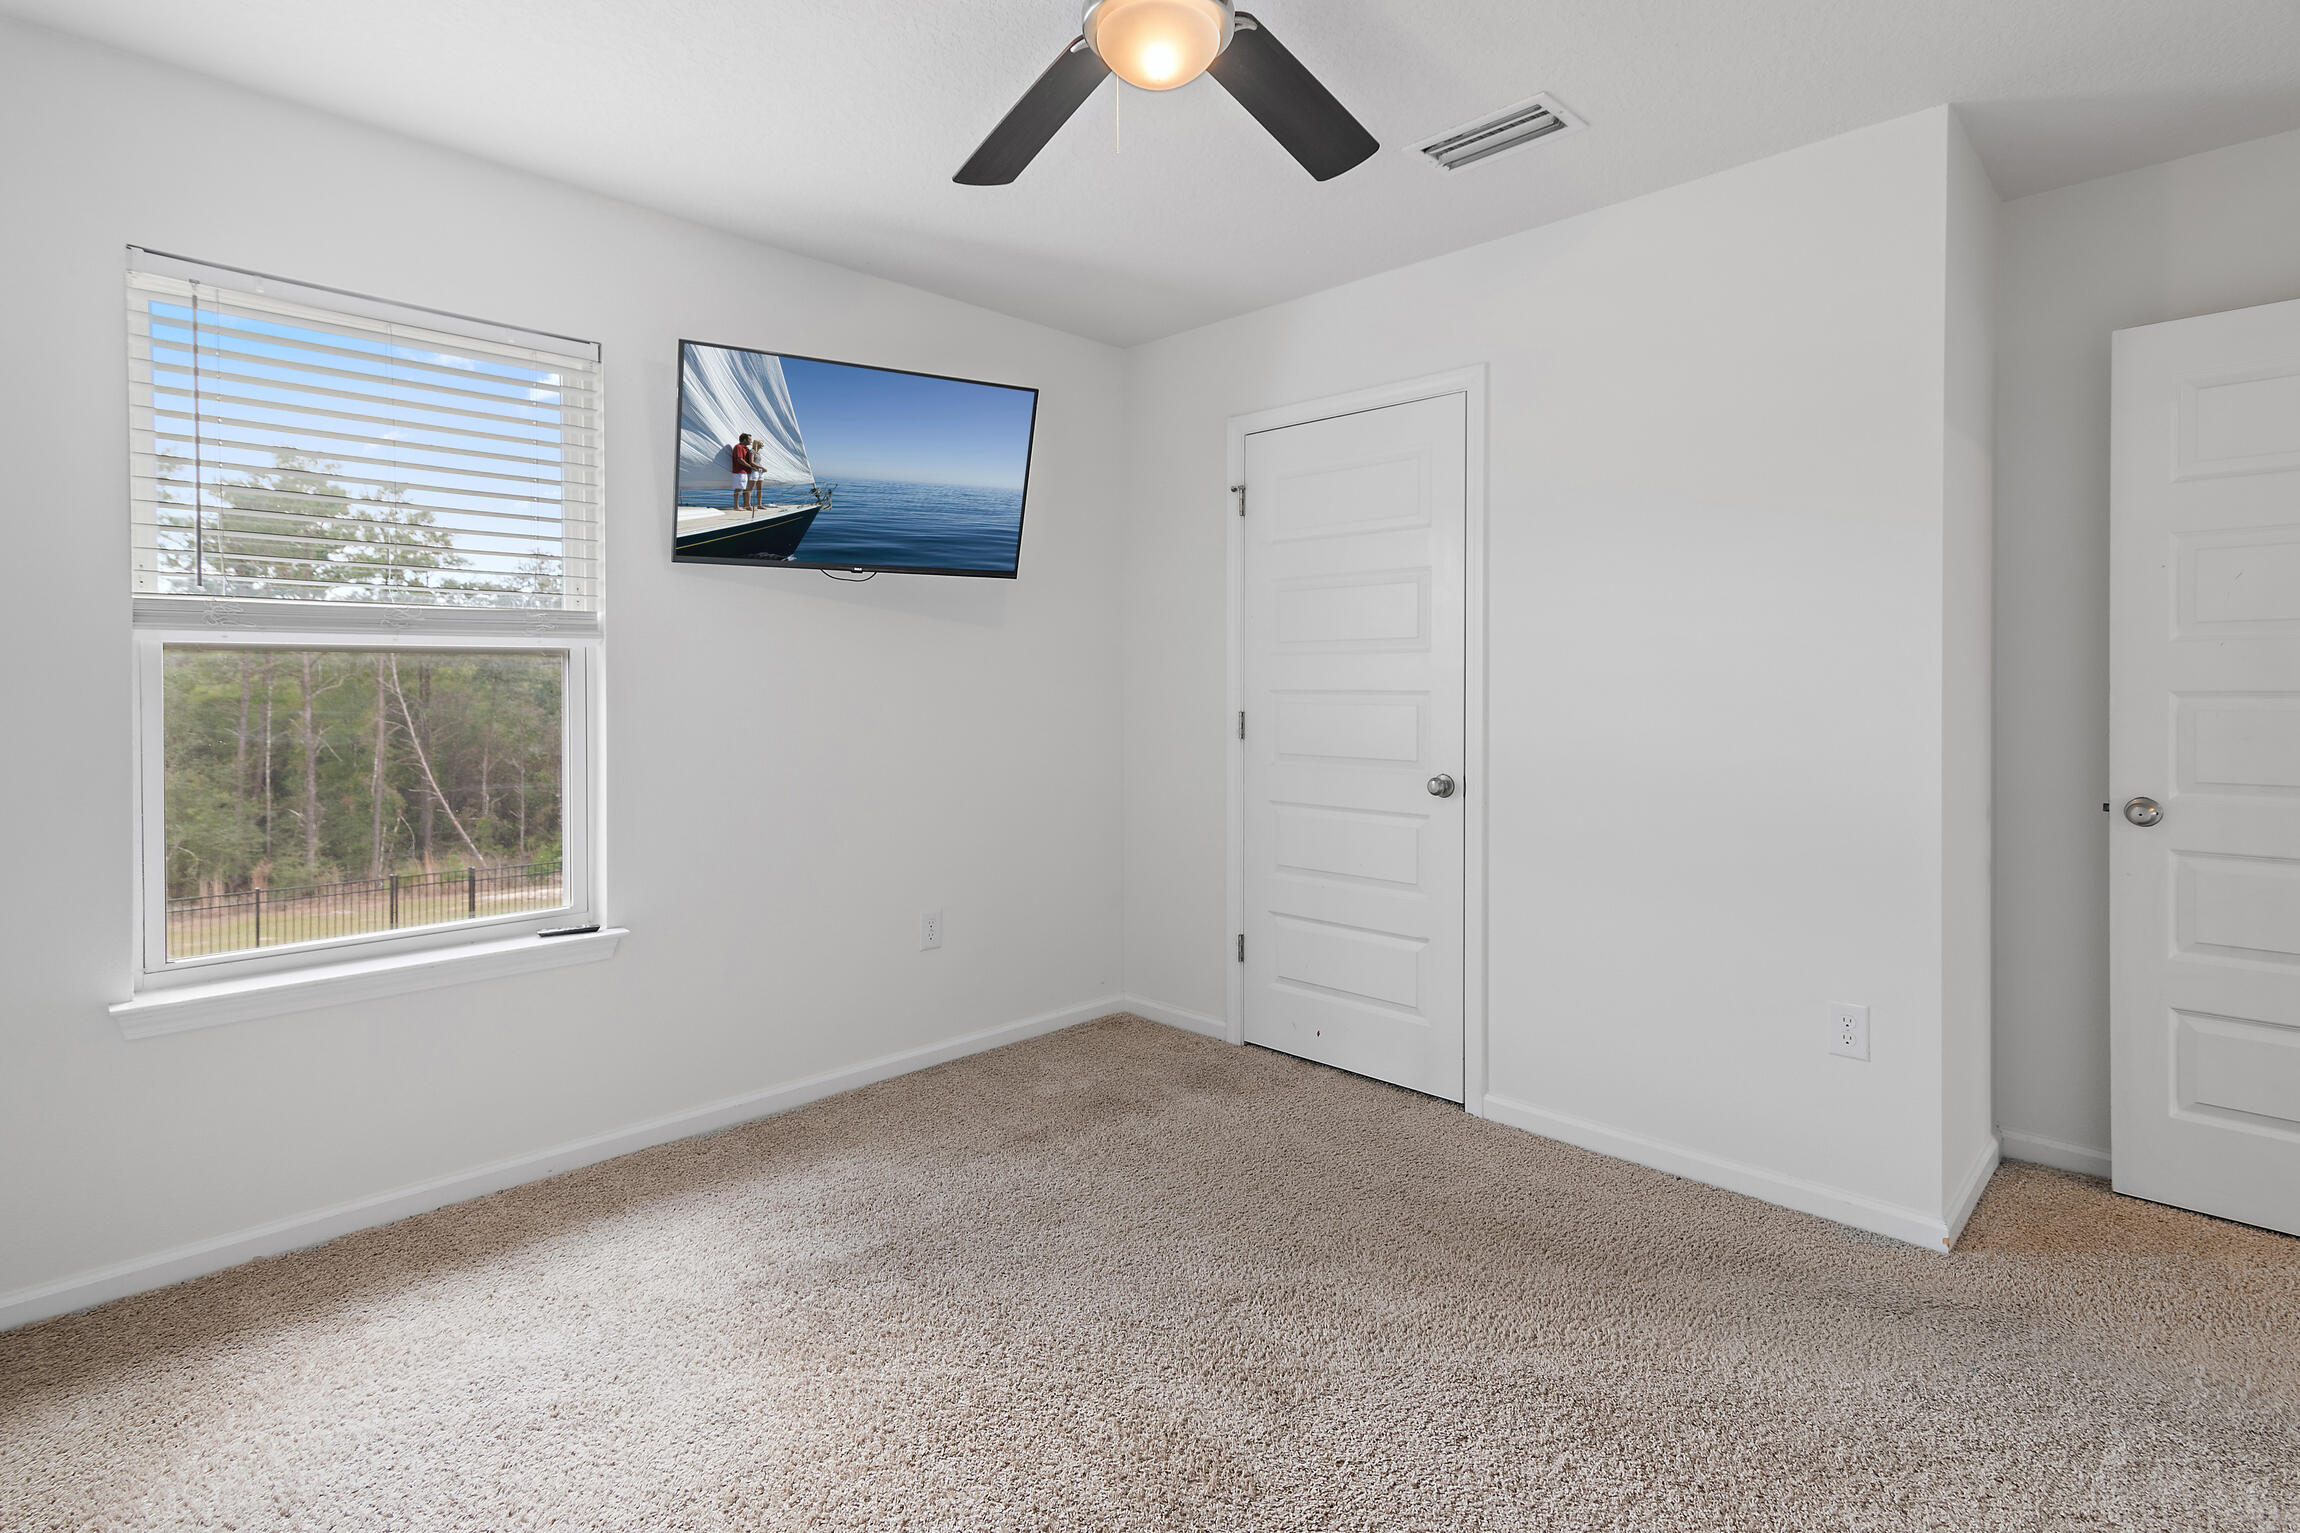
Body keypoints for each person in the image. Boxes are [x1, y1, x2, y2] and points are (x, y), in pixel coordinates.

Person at [731, 434, 755, 511]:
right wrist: (750, 466)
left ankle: (746, 505)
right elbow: (740, 459)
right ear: (744, 440)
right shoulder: (738, 447)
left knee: (745, 489)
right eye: (750, 439)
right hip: (739, 471)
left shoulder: (746, 448)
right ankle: (736, 506)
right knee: (738, 488)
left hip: (745, 472)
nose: (751, 441)